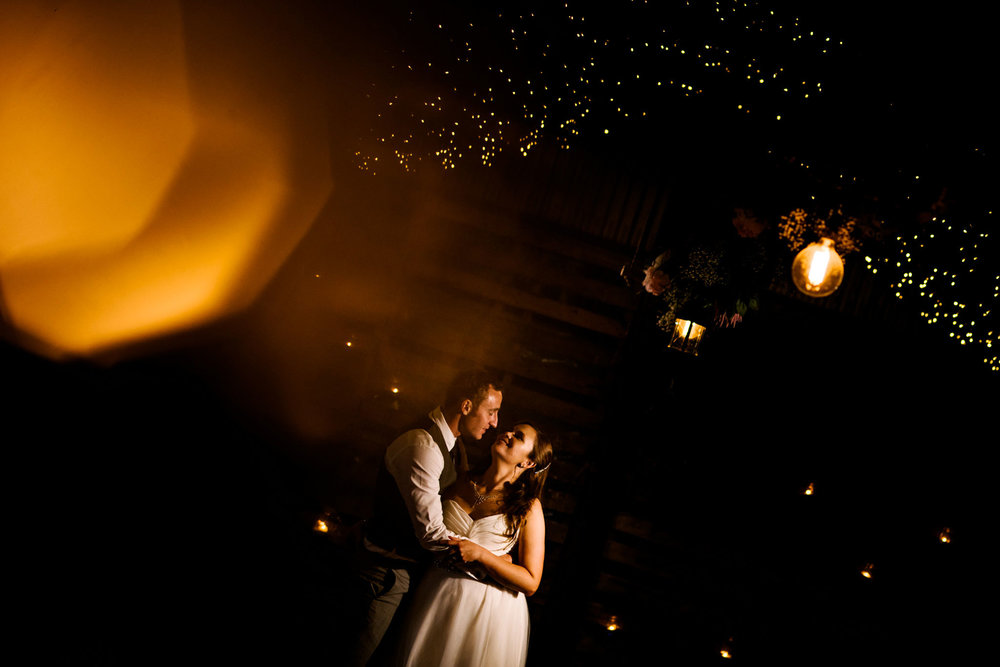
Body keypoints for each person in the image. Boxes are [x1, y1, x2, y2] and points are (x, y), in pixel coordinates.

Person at [347, 371, 503, 665]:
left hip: (413, 578)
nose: (494, 423)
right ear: (466, 406)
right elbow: (431, 534)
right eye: (491, 412)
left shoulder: (456, 447)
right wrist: (486, 560)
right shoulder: (423, 445)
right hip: (384, 575)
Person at [395, 422, 554, 667]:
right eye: (510, 429)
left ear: (528, 462)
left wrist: (481, 554)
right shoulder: (457, 481)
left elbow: (531, 581)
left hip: (488, 608)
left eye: (518, 436)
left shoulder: (529, 507)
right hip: (436, 592)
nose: (507, 433)